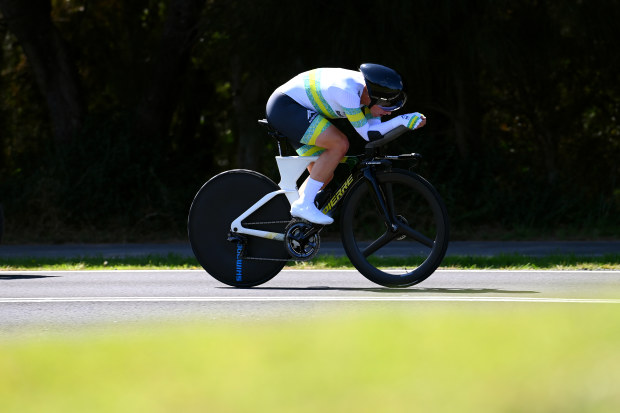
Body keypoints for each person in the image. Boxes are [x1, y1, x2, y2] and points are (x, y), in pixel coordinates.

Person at [265, 63, 426, 225]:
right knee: (339, 144)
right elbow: (368, 134)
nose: (389, 111)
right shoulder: (347, 91)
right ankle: (304, 205)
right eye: (387, 105)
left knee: (323, 174)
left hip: (294, 110)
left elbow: (376, 130)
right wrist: (402, 120)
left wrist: (405, 122)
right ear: (373, 96)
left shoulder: (367, 92)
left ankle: (289, 223)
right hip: (286, 107)